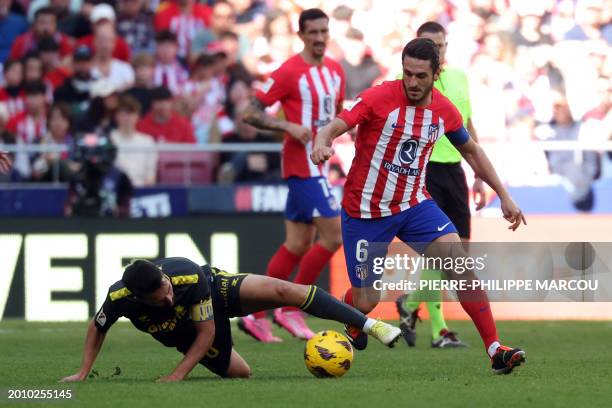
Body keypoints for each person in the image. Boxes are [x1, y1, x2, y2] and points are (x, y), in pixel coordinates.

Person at [311, 38, 527, 374]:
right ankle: (352, 314)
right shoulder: (379, 97)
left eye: (420, 76)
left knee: (461, 268)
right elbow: (336, 125)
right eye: (407, 74)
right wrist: (323, 140)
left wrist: (504, 194)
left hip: (414, 206)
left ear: (435, 73)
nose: (412, 82)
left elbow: (471, 152)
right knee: (367, 300)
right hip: (366, 212)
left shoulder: (444, 111)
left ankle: (495, 349)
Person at [59, 257, 401, 382]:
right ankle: (246, 329)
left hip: (214, 291)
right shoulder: (119, 298)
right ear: (139, 299)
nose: (167, 295)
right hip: (186, 331)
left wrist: (177, 375)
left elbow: (207, 329)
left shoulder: (186, 277)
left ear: (164, 275)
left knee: (283, 291)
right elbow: (97, 327)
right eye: (159, 298)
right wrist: (83, 371)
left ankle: (370, 324)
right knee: (241, 373)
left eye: (165, 287)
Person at [239, 8, 345, 342]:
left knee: (297, 244)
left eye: (323, 31)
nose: (318, 38)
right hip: (301, 166)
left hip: (321, 166)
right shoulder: (288, 72)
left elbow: (338, 117)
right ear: (301, 35)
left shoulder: (335, 71)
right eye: (312, 32)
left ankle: (255, 315)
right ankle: (290, 308)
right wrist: (287, 125)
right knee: (333, 236)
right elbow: (249, 112)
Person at [395, 22, 486, 349]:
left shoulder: (459, 78)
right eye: (432, 45)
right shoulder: (418, 83)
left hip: (456, 171)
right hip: (426, 167)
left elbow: (468, 123)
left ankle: (410, 301)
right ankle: (439, 331)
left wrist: (477, 174)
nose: (439, 51)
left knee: (458, 253)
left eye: (442, 45)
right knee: (440, 254)